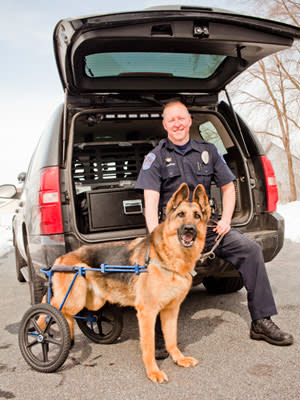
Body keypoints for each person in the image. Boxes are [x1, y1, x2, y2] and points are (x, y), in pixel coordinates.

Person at [136, 101, 293, 359]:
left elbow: (229, 187)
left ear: (189, 121)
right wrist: (156, 237)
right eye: (171, 120)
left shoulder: (208, 151)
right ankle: (160, 335)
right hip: (173, 233)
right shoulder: (155, 157)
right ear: (165, 125)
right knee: (158, 273)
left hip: (205, 229)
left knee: (251, 250)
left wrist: (227, 220)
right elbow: (150, 201)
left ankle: (262, 321)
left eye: (181, 118)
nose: (177, 123)